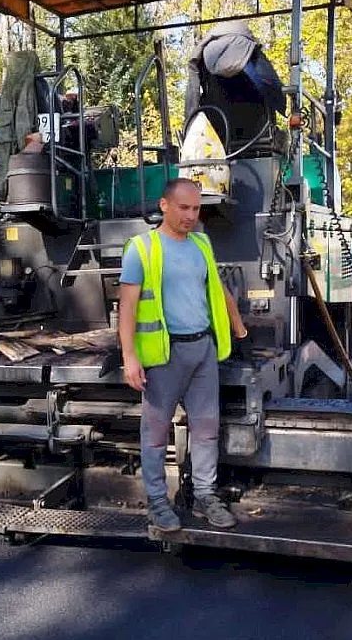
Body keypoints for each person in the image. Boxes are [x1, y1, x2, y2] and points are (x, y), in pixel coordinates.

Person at [118, 179, 248, 533]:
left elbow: (217, 288)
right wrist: (129, 356)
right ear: (164, 205)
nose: (191, 216)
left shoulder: (201, 243)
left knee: (207, 429)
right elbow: (126, 307)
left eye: (196, 209)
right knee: (156, 434)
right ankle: (158, 503)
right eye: (184, 208)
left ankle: (205, 495)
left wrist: (237, 324)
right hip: (164, 355)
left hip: (203, 350)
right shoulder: (141, 248)